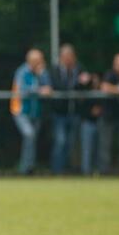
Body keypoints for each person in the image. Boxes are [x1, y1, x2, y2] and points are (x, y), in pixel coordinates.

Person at [10, 48, 52, 175]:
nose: (40, 63)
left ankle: (29, 167)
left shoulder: (42, 72)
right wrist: (39, 90)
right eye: (38, 61)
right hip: (21, 111)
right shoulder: (22, 72)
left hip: (36, 112)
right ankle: (25, 168)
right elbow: (22, 90)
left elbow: (48, 88)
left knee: (32, 139)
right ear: (30, 61)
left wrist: (41, 78)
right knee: (29, 135)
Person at [49, 44, 88, 174]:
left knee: (71, 143)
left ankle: (68, 170)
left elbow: (86, 86)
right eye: (65, 57)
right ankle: (56, 171)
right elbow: (59, 86)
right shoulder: (55, 70)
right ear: (61, 57)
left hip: (74, 113)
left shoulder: (79, 69)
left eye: (70, 57)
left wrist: (86, 81)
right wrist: (77, 83)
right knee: (60, 141)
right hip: (59, 113)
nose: (68, 59)